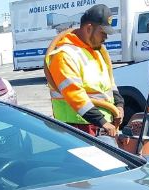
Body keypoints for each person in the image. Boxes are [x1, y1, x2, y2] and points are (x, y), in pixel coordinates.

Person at [44, 4, 124, 138]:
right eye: (103, 33)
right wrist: (103, 122)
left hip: (98, 125)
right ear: (88, 29)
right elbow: (75, 95)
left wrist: (119, 105)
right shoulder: (64, 55)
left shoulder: (96, 51)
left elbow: (109, 82)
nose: (106, 38)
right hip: (76, 127)